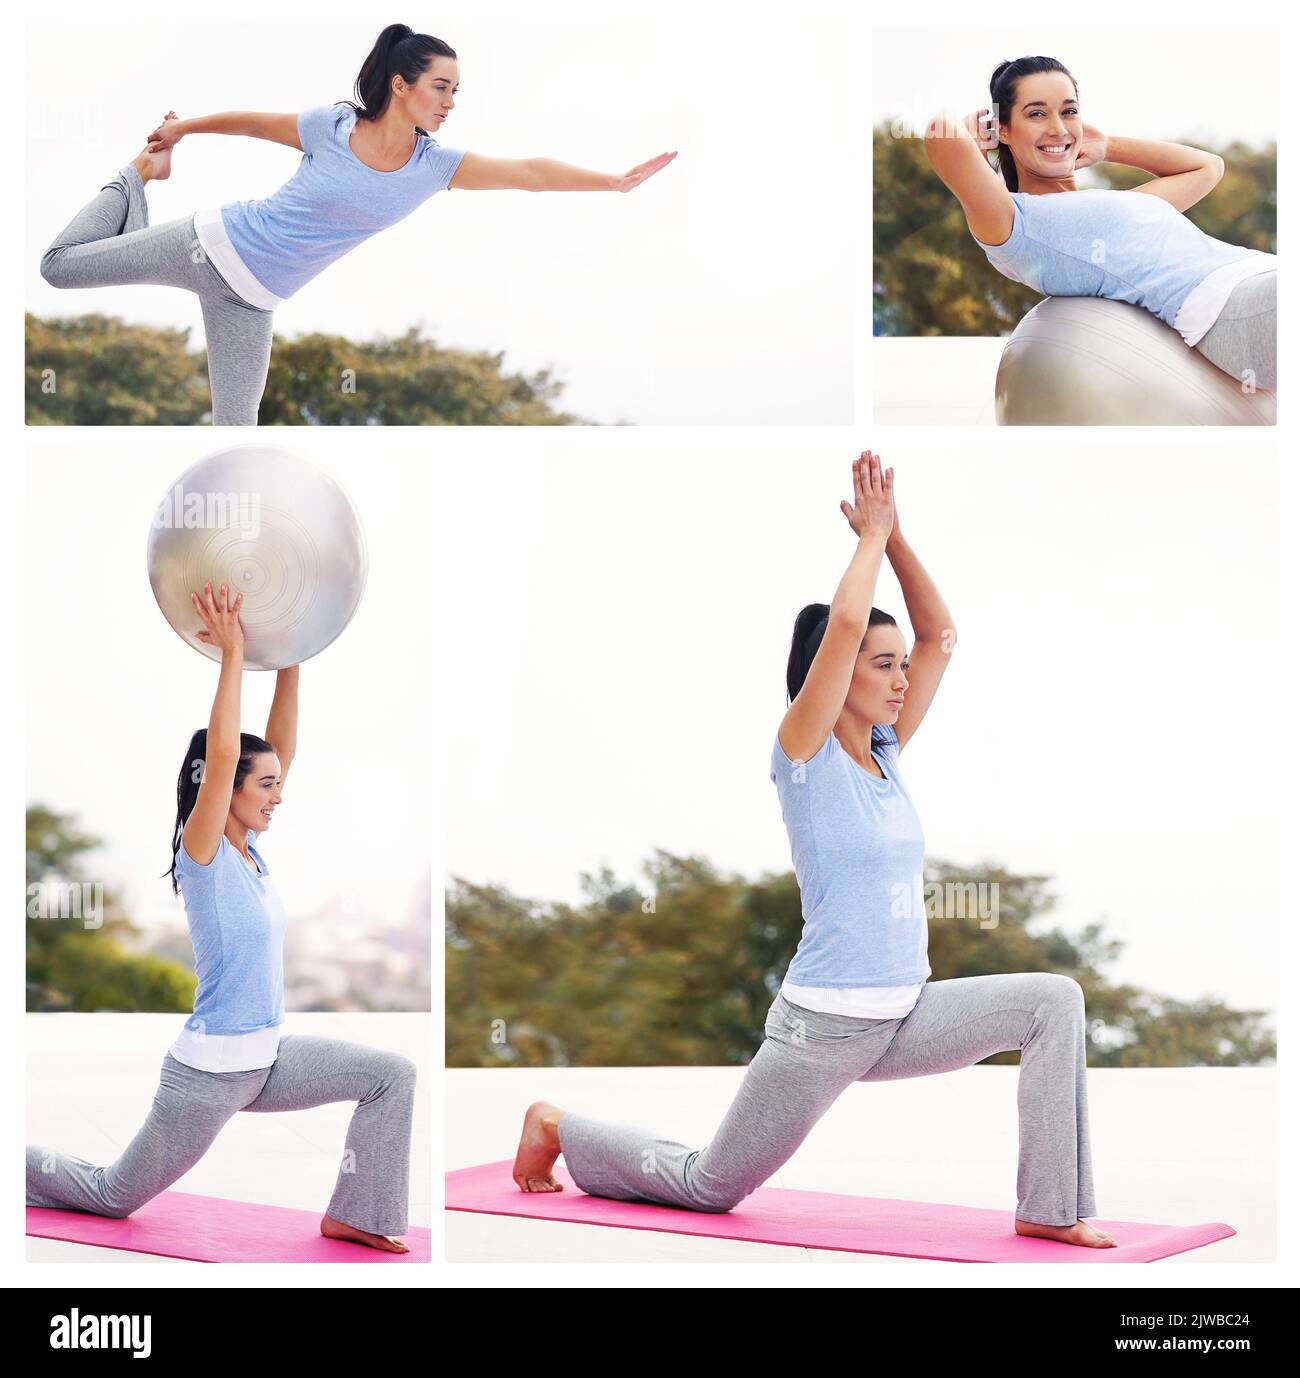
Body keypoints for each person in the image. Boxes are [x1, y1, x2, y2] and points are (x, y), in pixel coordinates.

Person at [510, 452, 1116, 1250]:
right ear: (837, 674)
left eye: (901, 666)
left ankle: (1047, 1205)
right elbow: (841, 627)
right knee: (708, 1185)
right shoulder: (803, 754)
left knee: (1053, 1001)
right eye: (883, 665)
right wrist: (864, 542)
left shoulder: (888, 755)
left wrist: (893, 535)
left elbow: (943, 634)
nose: (902, 678)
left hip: (906, 1012)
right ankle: (557, 1125)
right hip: (822, 1028)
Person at [26, 582, 417, 1253]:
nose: (277, 797)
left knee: (393, 1074)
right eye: (264, 787)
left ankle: (359, 1213)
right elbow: (227, 759)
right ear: (226, 789)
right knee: (111, 1195)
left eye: (276, 786)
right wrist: (234, 654)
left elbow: (279, 747)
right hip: (206, 1078)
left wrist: (294, 650)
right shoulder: (202, 853)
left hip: (269, 1059)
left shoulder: (251, 849)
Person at [37, 23, 676, 424]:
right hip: (209, 246)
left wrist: (613, 182)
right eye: (441, 88)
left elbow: (529, 172)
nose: (451, 103)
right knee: (59, 268)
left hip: (255, 305)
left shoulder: (436, 167)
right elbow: (258, 125)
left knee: (237, 431)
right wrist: (184, 130)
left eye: (457, 92)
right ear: (401, 85)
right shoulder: (333, 128)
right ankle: (139, 174)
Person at [924, 57, 1276, 391]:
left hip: (1261, 281)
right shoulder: (1016, 222)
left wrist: (1107, 146)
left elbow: (1207, 167)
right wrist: (978, 145)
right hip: (1234, 308)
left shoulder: (1126, 204)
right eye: (1036, 114)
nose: (1057, 128)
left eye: (1069, 111)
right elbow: (941, 133)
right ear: (1002, 129)